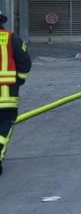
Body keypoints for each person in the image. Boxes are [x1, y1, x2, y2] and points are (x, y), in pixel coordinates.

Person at [0, 11, 31, 176]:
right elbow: (25, 62)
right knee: (4, 126)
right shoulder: (11, 38)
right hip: (6, 98)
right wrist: (19, 80)